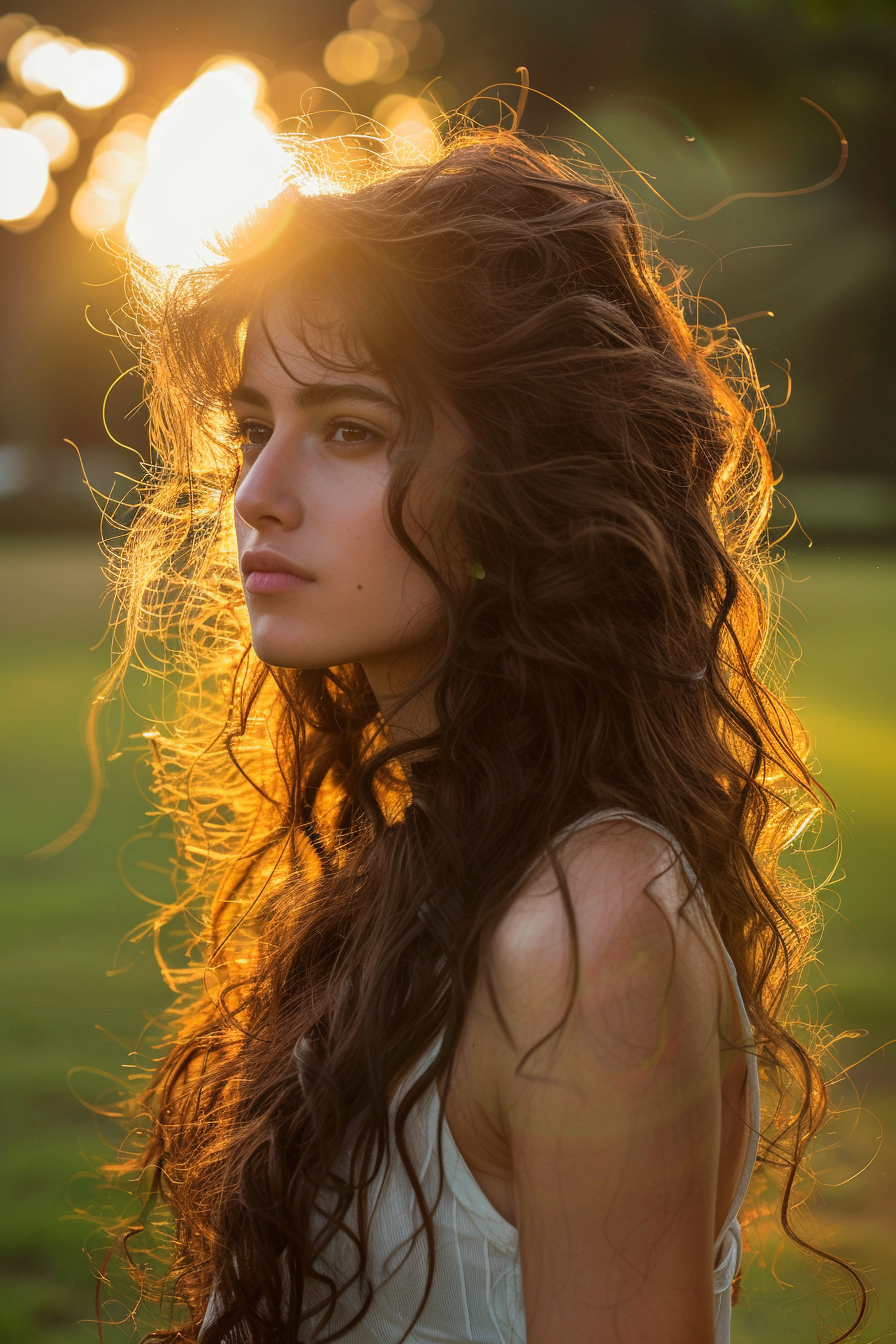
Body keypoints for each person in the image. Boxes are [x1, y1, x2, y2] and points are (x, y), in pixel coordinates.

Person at [103, 124, 849, 1344]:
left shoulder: (595, 932)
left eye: (348, 429)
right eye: (252, 429)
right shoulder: (423, 849)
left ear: (524, 485)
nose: (256, 493)